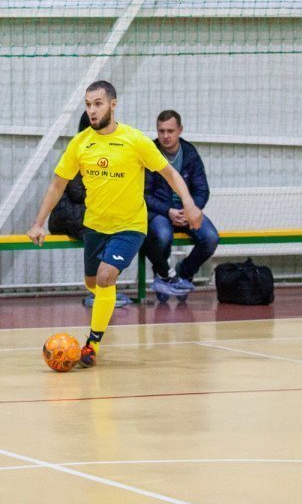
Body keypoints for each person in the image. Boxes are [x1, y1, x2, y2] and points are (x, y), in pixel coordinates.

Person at [27, 81, 202, 367]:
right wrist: (38, 223)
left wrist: (189, 203)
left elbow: (170, 173)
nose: (92, 110)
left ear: (113, 104)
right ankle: (105, 303)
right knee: (92, 282)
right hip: (95, 226)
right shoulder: (80, 143)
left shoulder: (135, 140)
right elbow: (58, 185)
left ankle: (91, 345)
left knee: (106, 277)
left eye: (98, 104)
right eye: (88, 105)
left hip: (129, 226)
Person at [48, 111, 131, 309]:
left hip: (83, 212)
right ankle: (98, 291)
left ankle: (104, 287)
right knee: (101, 231)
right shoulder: (79, 150)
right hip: (67, 215)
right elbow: (77, 192)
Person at [142, 110, 220, 300]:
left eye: (170, 131)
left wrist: (190, 210)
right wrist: (168, 211)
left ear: (180, 130)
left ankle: (184, 273)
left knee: (211, 238)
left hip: (187, 211)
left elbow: (202, 190)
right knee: (162, 236)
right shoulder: (149, 153)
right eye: (161, 131)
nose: (165, 136)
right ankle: (164, 277)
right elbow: (143, 194)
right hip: (160, 212)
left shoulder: (190, 154)